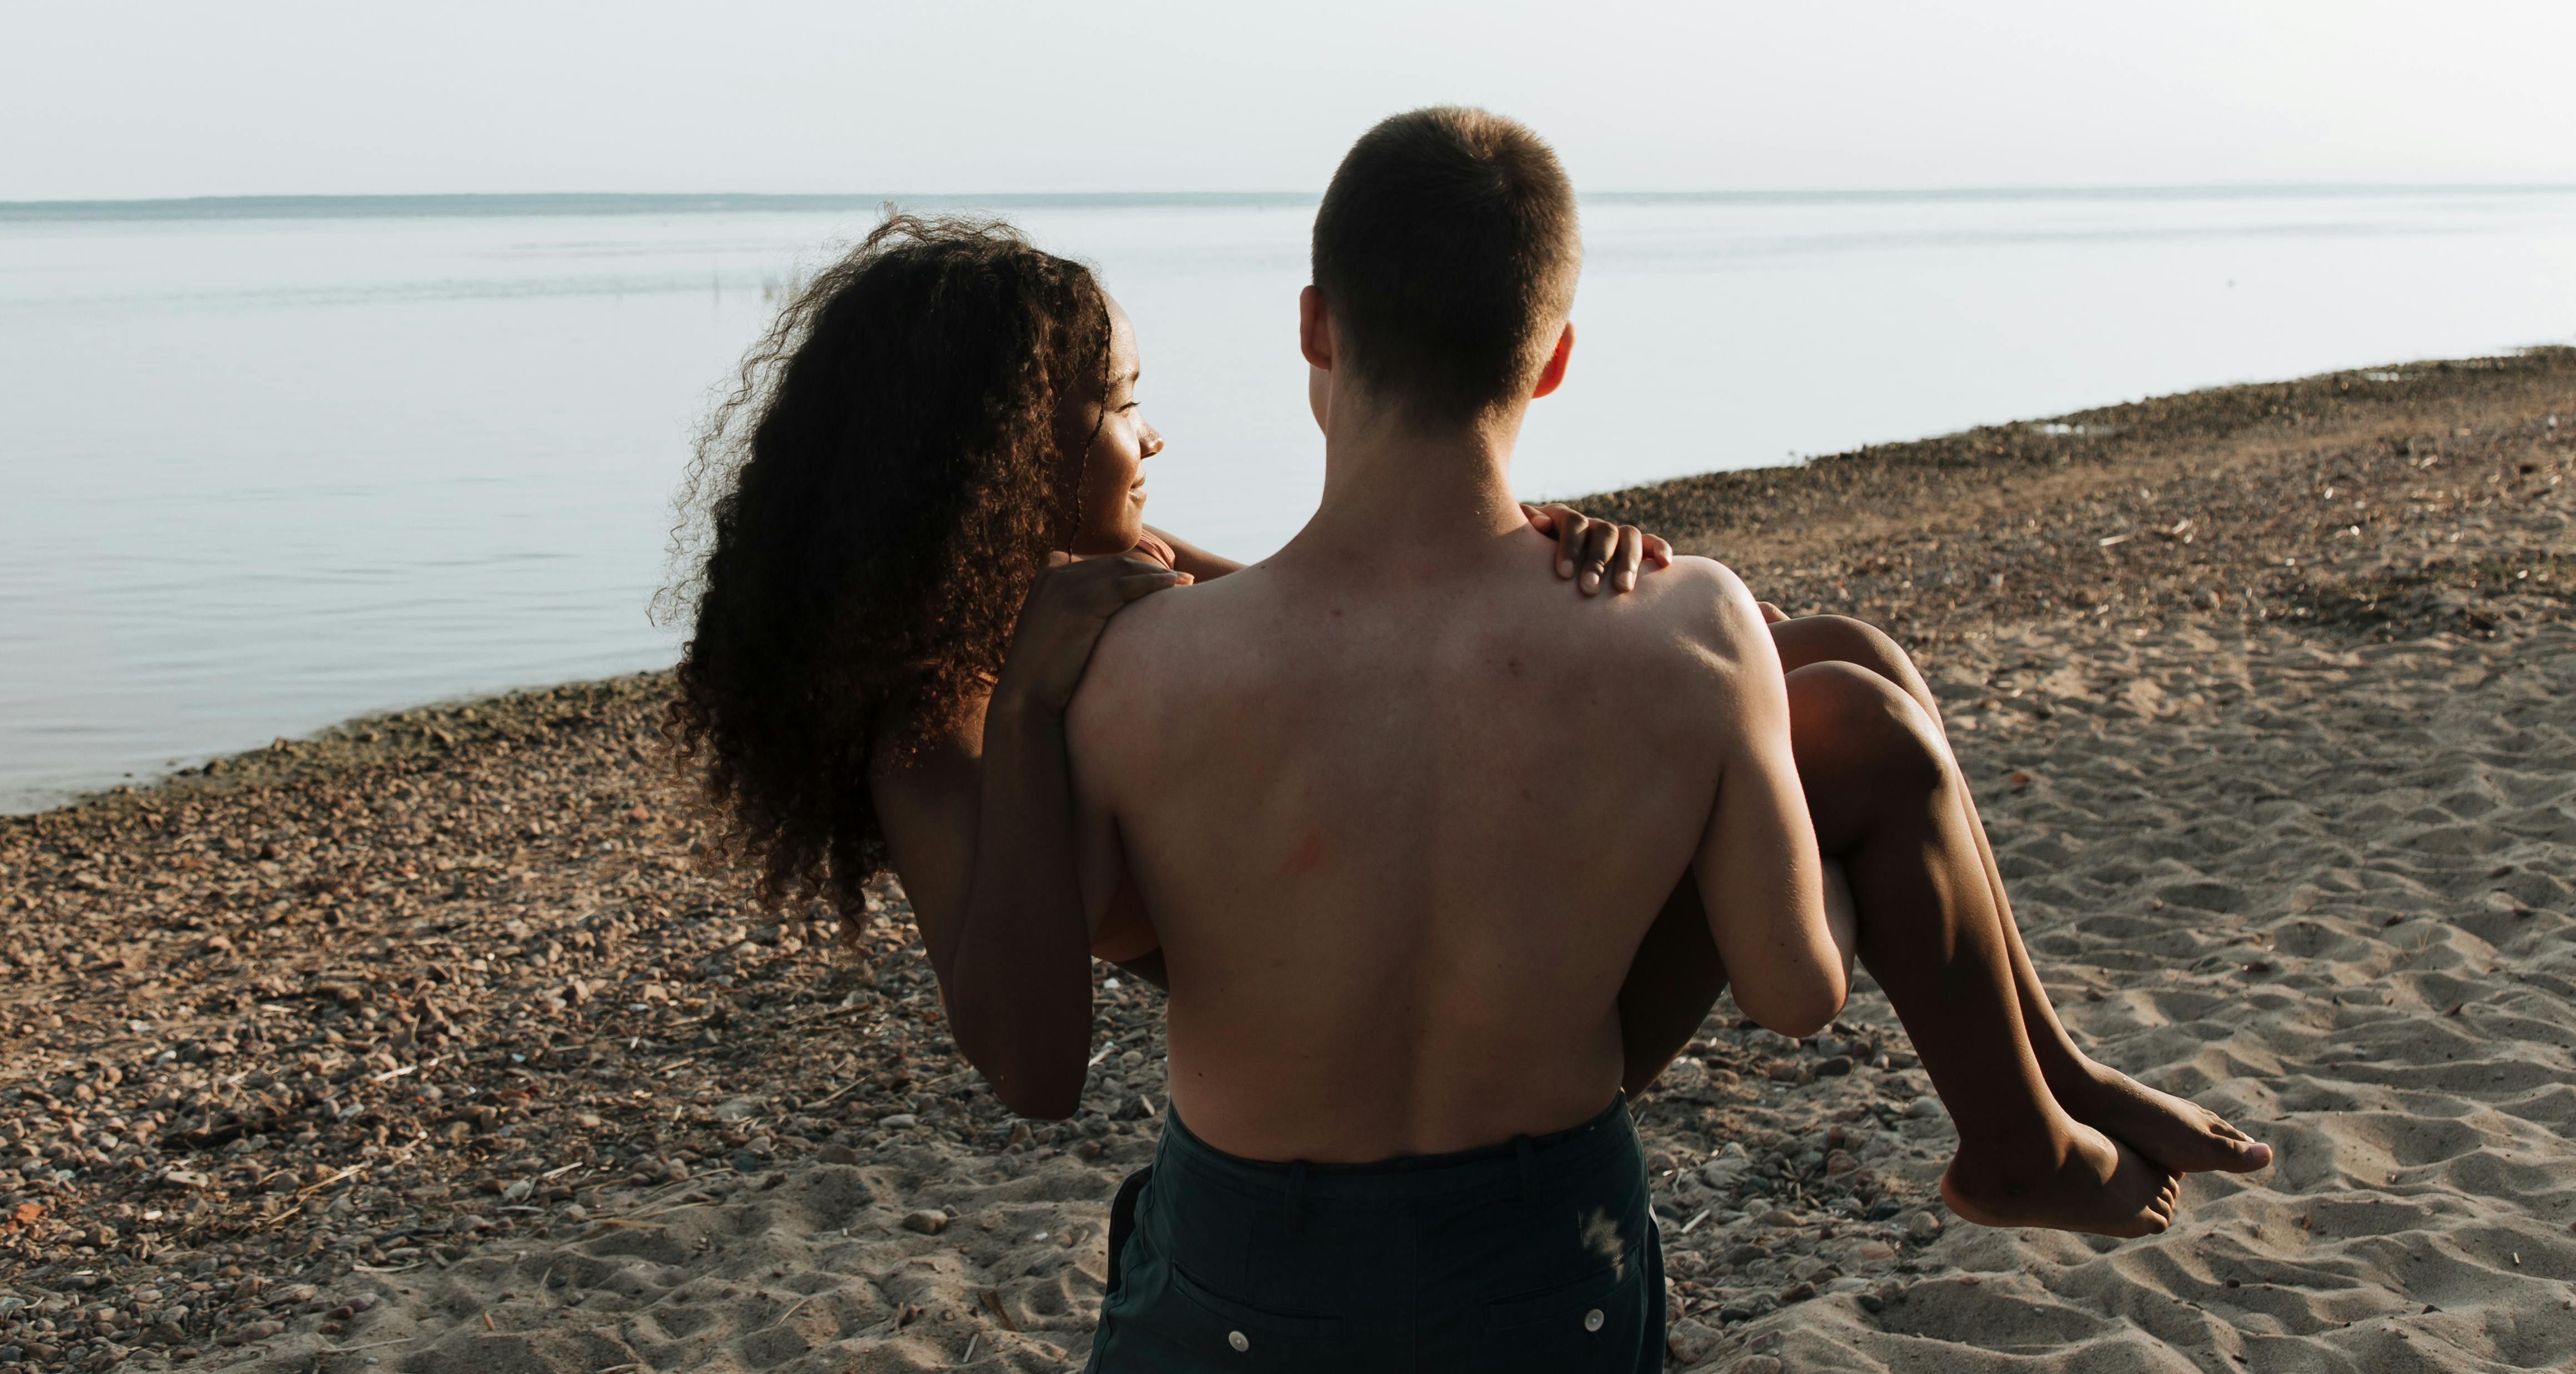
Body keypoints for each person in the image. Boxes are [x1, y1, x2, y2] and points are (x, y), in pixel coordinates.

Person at [661, 188, 2265, 1278]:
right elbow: (1028, 1067)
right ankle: (2016, 1142)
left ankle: (2046, 1082)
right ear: (1000, 452)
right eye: (1119, 404)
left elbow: (1332, 602)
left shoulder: (1104, 588)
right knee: (1846, 725)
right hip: (1457, 1049)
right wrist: (1022, 711)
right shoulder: (935, 732)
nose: (1151, 433)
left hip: (1449, 951)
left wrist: (1546, 556)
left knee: (1827, 651)